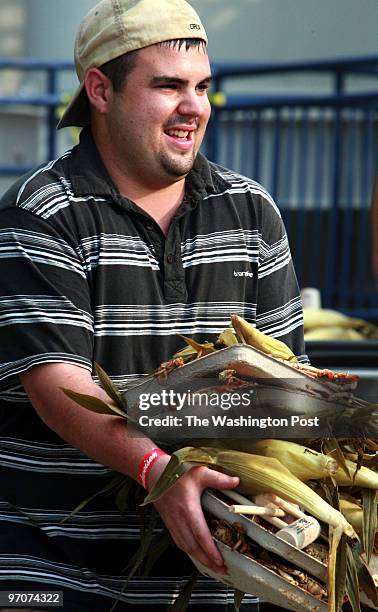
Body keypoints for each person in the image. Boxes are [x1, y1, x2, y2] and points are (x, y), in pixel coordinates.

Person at [0, 0, 308, 610]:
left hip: (217, 582)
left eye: (201, 87)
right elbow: (57, 386)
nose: (194, 107)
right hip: (60, 574)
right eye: (168, 85)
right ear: (101, 91)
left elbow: (287, 383)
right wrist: (159, 472)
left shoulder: (251, 212)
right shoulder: (41, 214)